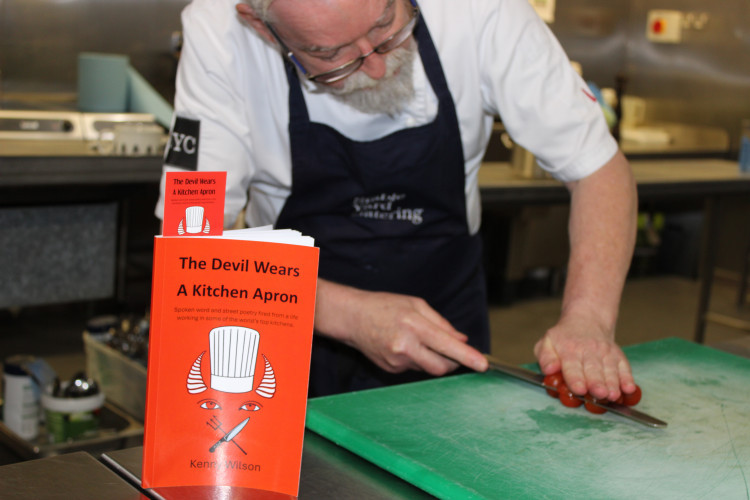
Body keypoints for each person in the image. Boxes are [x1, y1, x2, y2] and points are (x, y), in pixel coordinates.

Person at [156, 0, 639, 401]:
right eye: (332, 55)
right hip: (286, 322)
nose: (377, 64)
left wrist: (588, 318)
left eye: (387, 24)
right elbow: (187, 247)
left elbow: (598, 168)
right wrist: (344, 313)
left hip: (450, 321)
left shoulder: (481, 8)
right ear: (260, 25)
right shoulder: (216, 33)